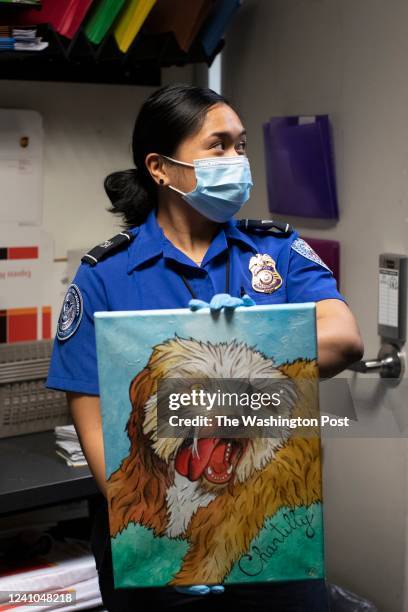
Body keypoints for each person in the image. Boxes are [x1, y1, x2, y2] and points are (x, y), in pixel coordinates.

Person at [45, 83, 364, 611]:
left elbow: (343, 339)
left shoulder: (275, 250)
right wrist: (154, 538)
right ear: (160, 167)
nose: (236, 159)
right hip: (154, 537)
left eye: (240, 146)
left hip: (273, 535)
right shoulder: (106, 274)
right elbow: (95, 415)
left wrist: (251, 333)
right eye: (217, 145)